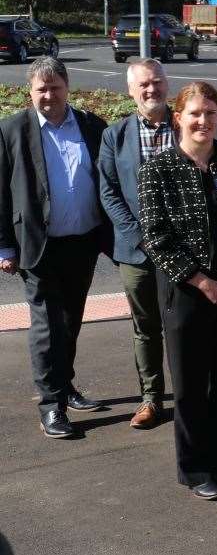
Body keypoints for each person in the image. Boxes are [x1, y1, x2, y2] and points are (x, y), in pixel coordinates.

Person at [138, 81, 217, 500]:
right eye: (195, 113)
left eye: (211, 114)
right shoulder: (157, 169)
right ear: (178, 117)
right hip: (188, 295)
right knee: (192, 387)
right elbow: (156, 238)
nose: (203, 121)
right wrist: (204, 282)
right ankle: (195, 469)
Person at [0, 57, 112, 439]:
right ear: (30, 92)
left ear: (67, 87)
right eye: (41, 89)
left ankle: (64, 385)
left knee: (70, 322)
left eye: (55, 87)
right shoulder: (11, 131)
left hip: (82, 242)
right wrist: (4, 248)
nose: (48, 95)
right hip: (38, 245)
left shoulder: (91, 126)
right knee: (48, 326)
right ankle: (51, 406)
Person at [98, 58, 173, 430]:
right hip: (136, 251)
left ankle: (193, 395)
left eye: (156, 82)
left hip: (185, 250)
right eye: (143, 84)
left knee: (185, 324)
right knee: (146, 326)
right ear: (130, 91)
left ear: (166, 83)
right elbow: (109, 193)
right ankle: (151, 398)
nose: (151, 90)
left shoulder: (186, 125)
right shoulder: (116, 135)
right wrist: (140, 236)